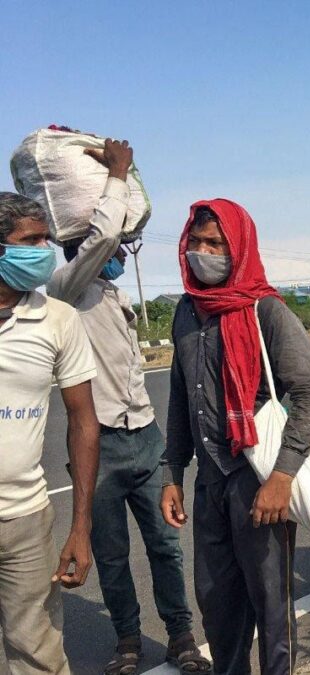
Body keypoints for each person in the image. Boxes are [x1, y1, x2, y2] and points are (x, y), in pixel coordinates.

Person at [46, 140, 210, 675]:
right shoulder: (65, 289)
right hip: (100, 448)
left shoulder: (114, 297)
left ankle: (182, 636)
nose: (119, 254)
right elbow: (103, 236)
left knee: (165, 546)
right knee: (113, 556)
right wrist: (117, 174)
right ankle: (127, 642)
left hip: (145, 436)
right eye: (114, 248)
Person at [160, 200, 310, 675]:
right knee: (217, 603)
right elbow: (180, 399)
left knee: (272, 607)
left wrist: (283, 475)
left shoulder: (266, 310)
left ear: (239, 249)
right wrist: (172, 472)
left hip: (258, 478)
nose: (202, 252)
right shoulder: (187, 312)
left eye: (215, 244)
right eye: (194, 243)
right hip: (210, 482)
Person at [0, 192, 100, 675]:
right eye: (30, 240)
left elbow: (84, 421)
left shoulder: (57, 319)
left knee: (36, 654)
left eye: (46, 239)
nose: (43, 250)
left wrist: (80, 527)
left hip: (25, 518)